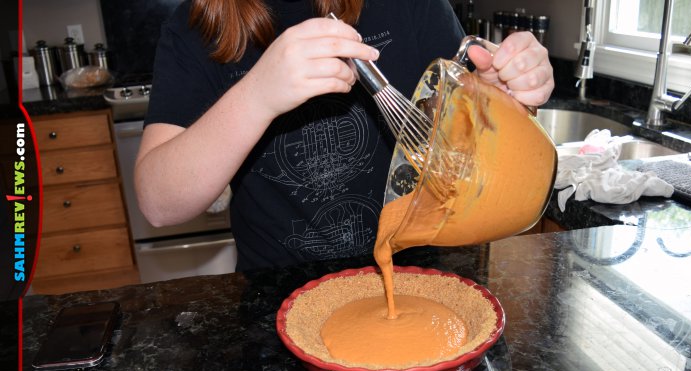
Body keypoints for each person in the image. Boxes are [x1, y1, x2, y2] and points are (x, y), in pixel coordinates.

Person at [136, 0, 555, 271]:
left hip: (431, 274)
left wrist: (502, 92)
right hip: (279, 300)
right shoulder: (197, 28)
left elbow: (466, 137)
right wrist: (256, 96)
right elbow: (159, 202)